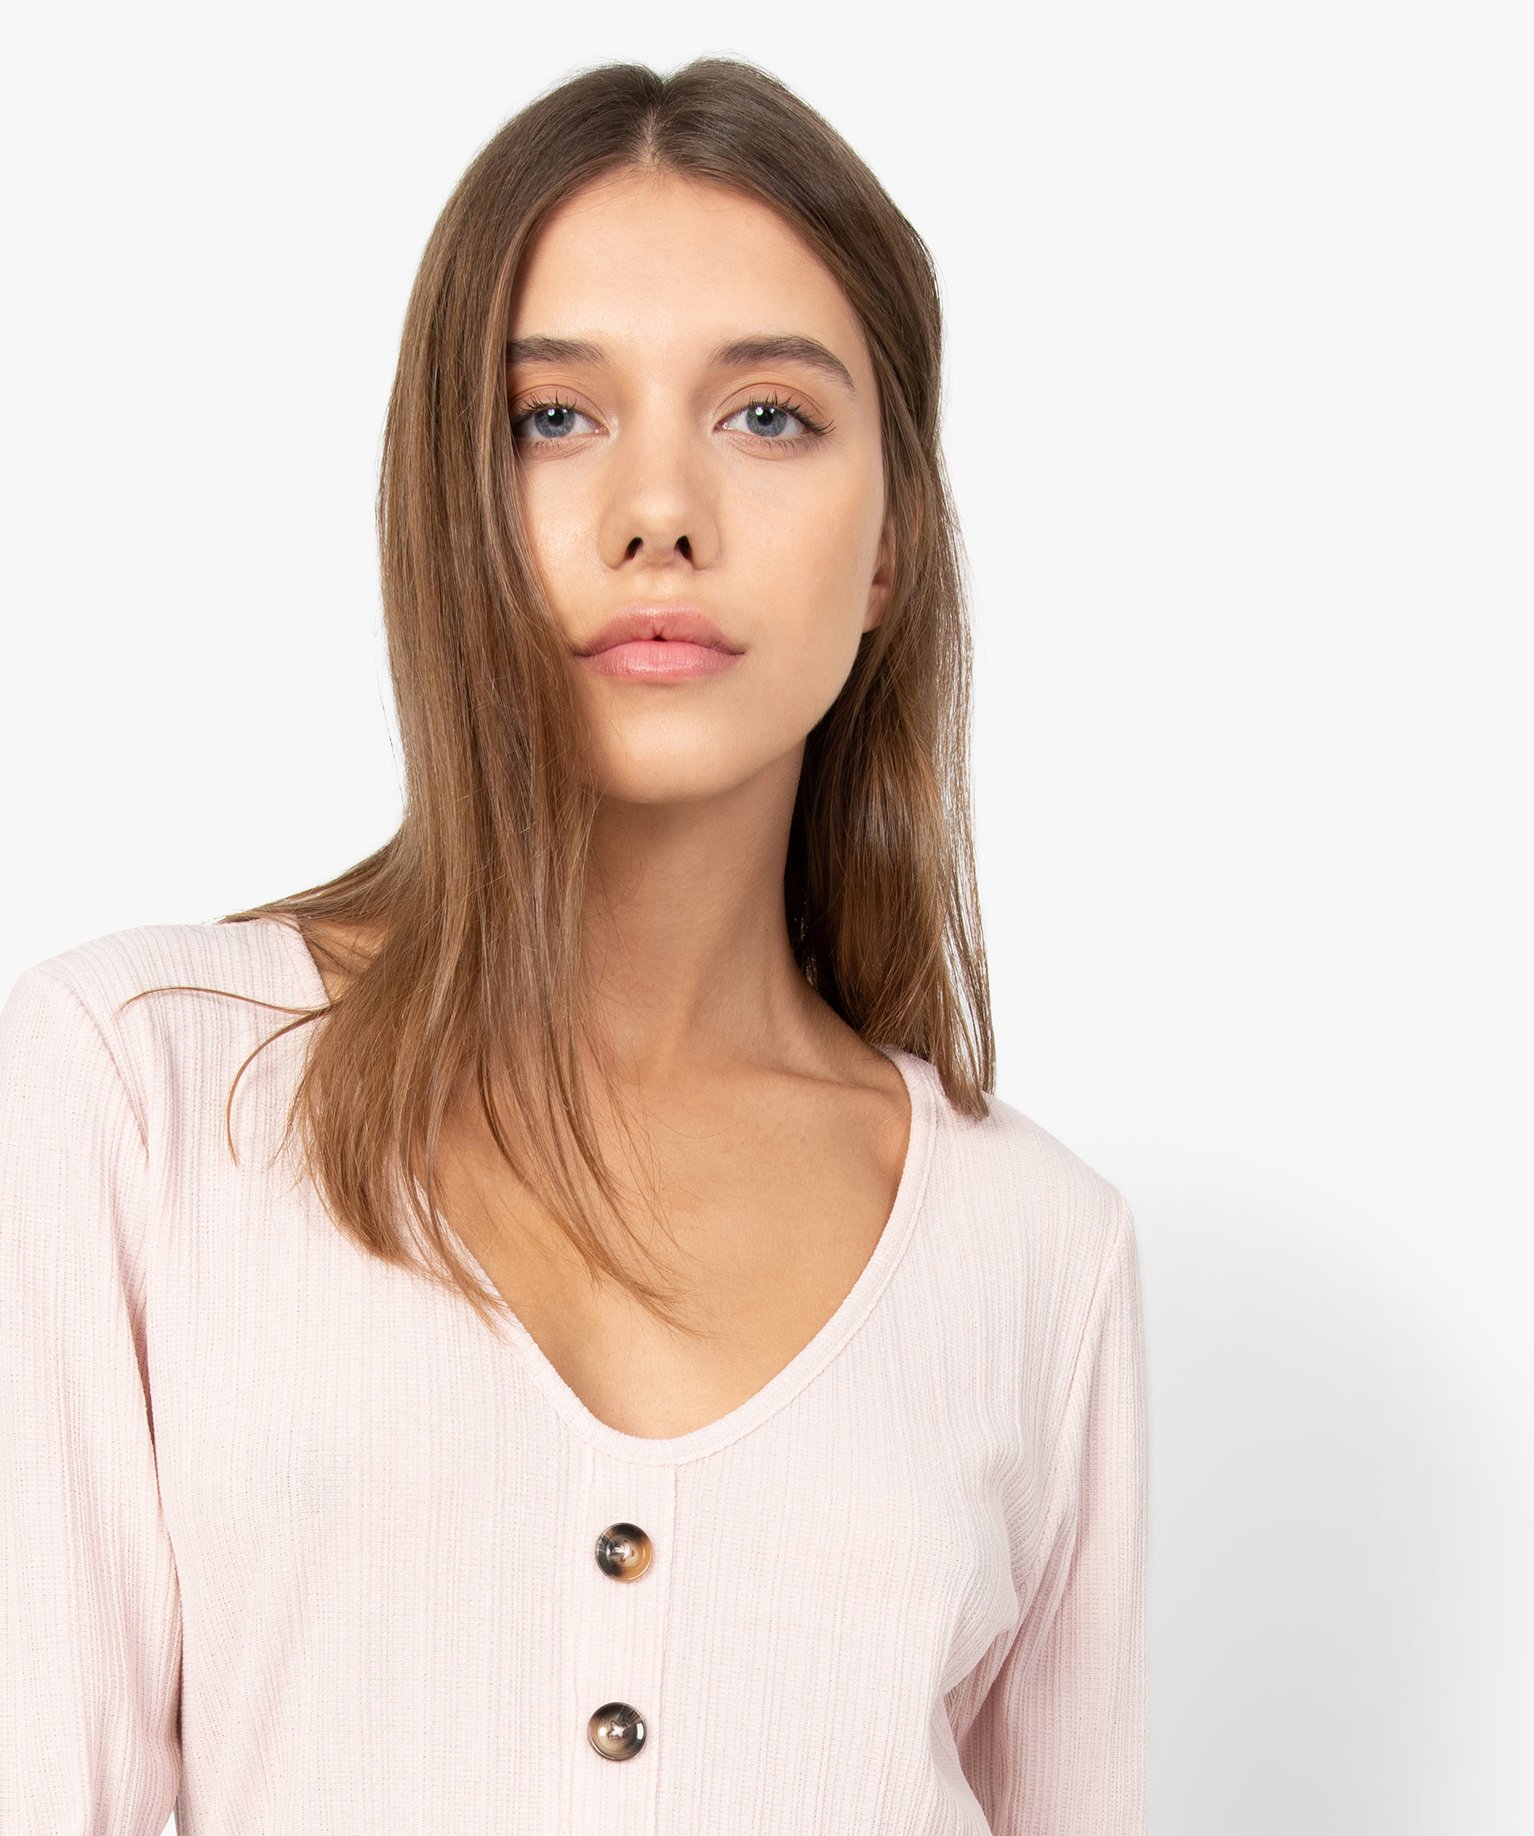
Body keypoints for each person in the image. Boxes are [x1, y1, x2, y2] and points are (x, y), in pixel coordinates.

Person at [0, 55, 1148, 1835]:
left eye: (767, 415)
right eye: (552, 417)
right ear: (443, 506)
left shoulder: (1037, 1250)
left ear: (890, 549)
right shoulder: (137, 1091)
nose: (657, 513)